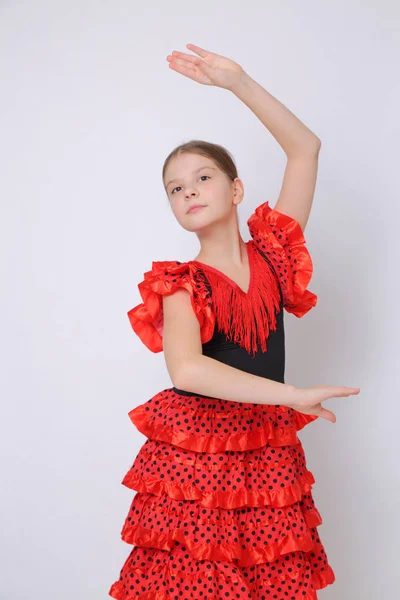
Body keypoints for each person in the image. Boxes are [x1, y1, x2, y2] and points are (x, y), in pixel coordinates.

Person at [109, 44, 360, 600]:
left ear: (236, 189)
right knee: (198, 583)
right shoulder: (180, 284)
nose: (189, 191)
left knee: (271, 580)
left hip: (267, 447)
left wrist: (237, 82)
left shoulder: (274, 252)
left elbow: (305, 149)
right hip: (196, 454)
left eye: (201, 177)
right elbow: (189, 371)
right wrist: (290, 394)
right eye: (176, 188)